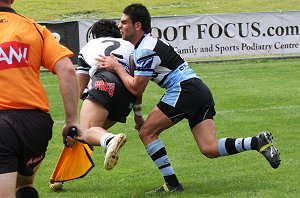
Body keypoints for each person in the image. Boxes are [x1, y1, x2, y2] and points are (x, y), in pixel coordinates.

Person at [99, 3, 281, 193]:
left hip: (184, 90)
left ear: (137, 25)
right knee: (209, 148)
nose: (119, 26)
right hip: (199, 89)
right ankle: (257, 142)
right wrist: (137, 116)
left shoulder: (145, 49)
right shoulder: (146, 45)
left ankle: (172, 184)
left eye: (124, 22)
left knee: (147, 133)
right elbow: (138, 87)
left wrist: (117, 67)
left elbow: (136, 87)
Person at [0, 0, 80, 197]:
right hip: (36, 125)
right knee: (24, 185)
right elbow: (68, 70)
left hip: (2, 125)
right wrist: (71, 121)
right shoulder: (34, 28)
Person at [76, 19, 143, 170]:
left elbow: (79, 90)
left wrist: (88, 94)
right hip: (127, 95)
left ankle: (110, 140)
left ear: (93, 35)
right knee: (92, 131)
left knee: (86, 130)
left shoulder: (89, 45)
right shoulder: (131, 46)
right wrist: (138, 115)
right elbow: (137, 86)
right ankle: (63, 177)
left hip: (104, 80)